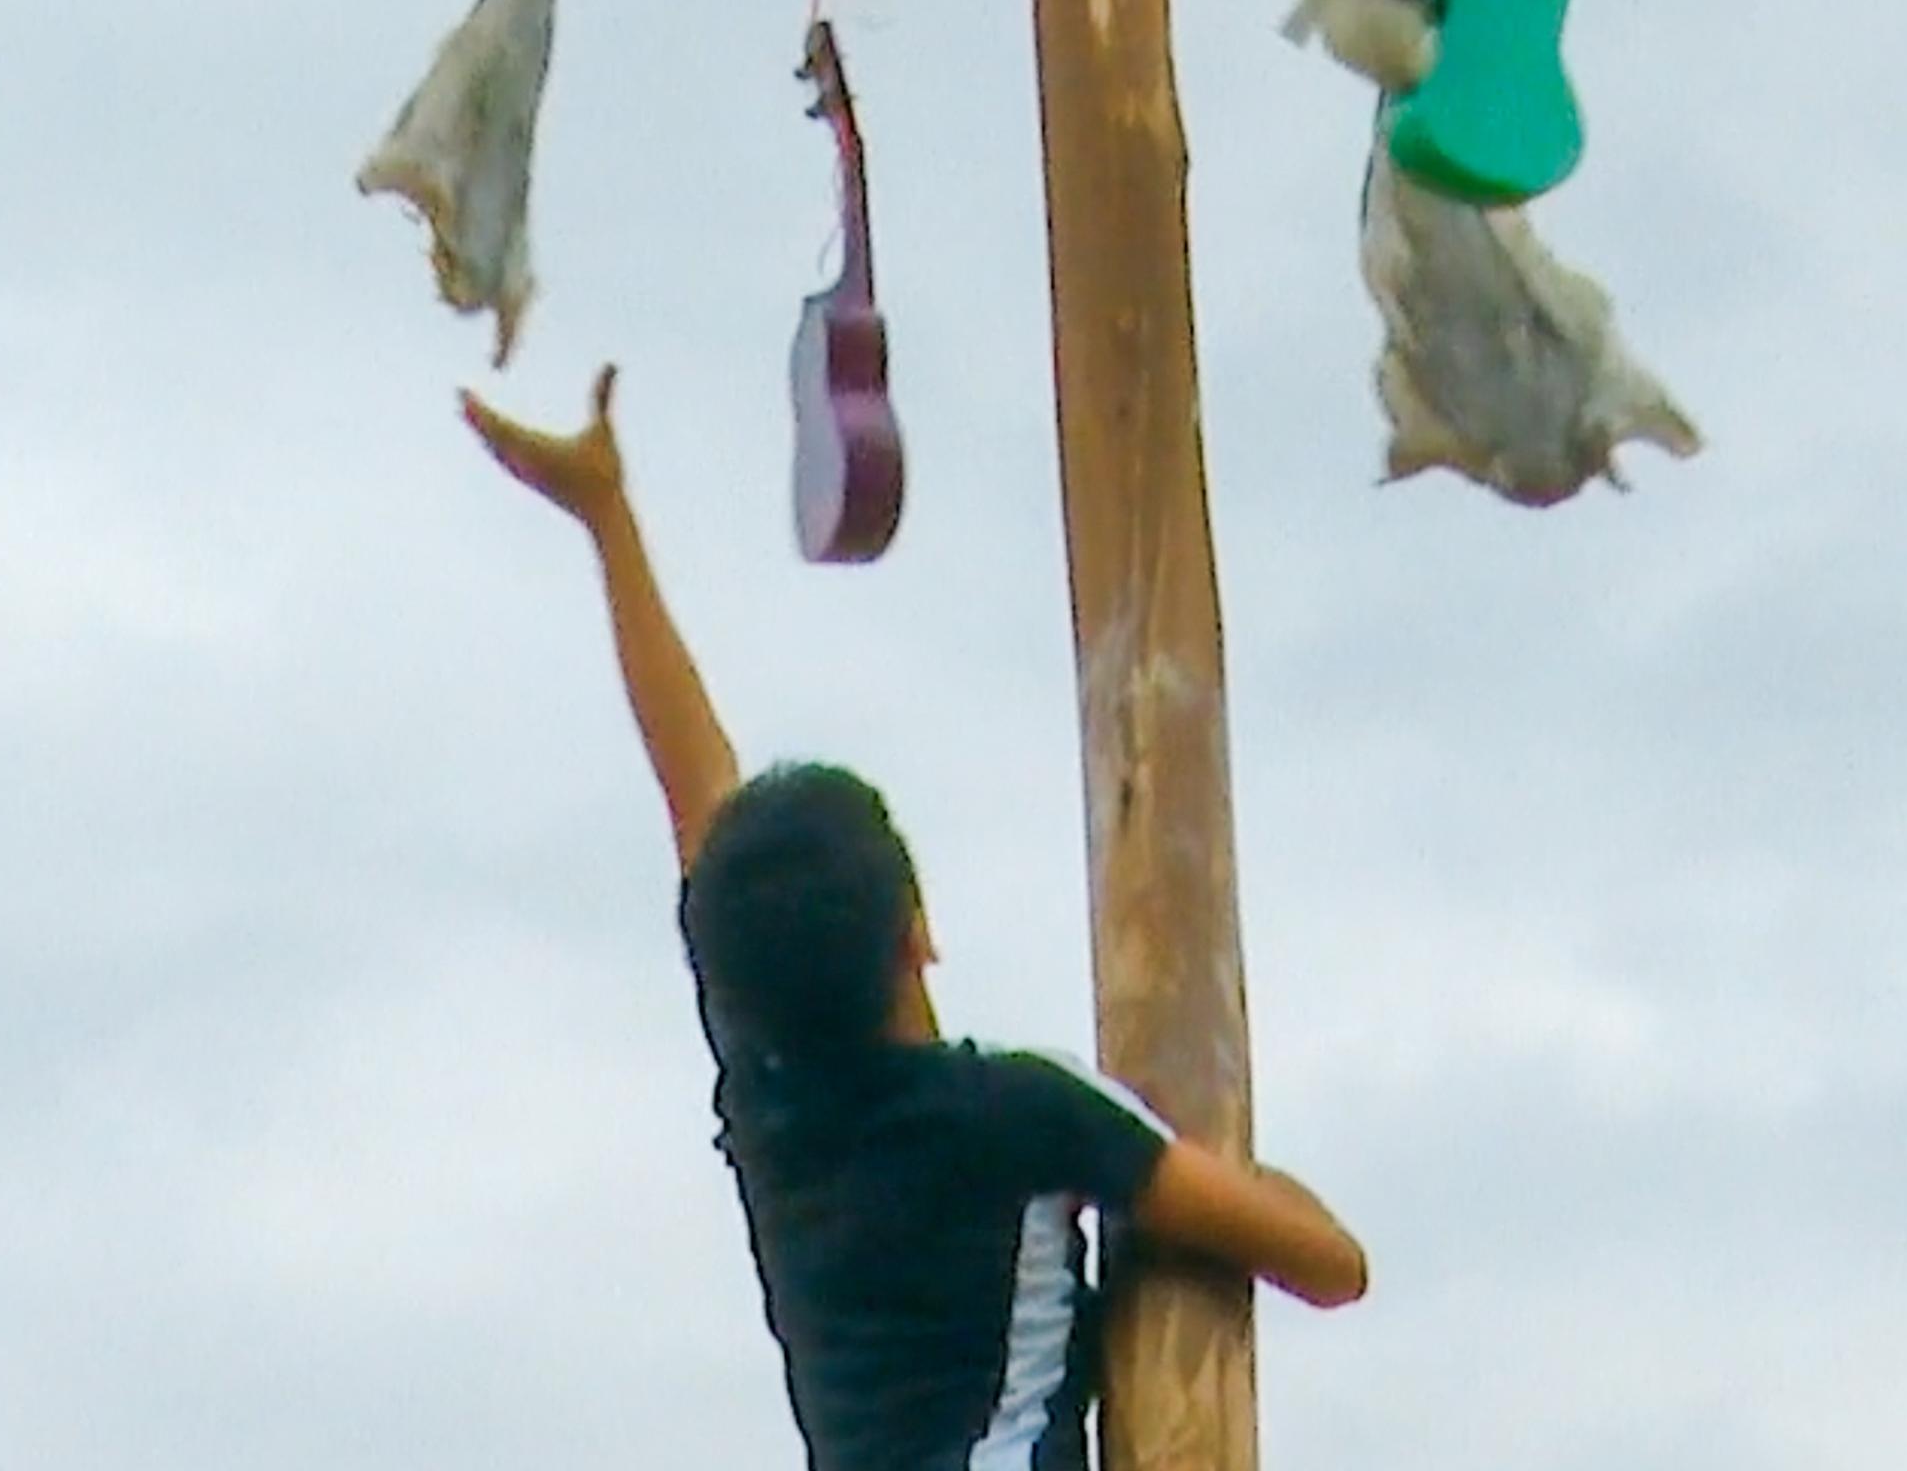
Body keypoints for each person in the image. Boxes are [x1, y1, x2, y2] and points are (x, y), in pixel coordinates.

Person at [461, 365, 1369, 1471]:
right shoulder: (1025, 1113)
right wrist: (1223, 1168)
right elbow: (1330, 1263)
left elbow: (696, 794)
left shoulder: (777, 1112)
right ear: (918, 936)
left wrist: (608, 521)